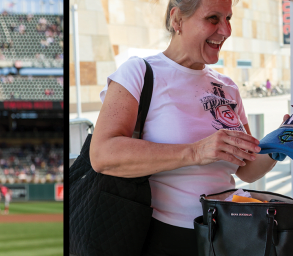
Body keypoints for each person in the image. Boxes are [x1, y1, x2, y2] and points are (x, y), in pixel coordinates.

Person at [89, 0, 278, 255]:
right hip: (162, 235)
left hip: (228, 234)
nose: (226, 30)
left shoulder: (228, 87)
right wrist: (195, 152)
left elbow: (247, 170)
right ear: (177, 19)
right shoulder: (140, 72)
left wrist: (283, 142)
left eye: (228, 18)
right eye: (213, 18)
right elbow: (102, 154)